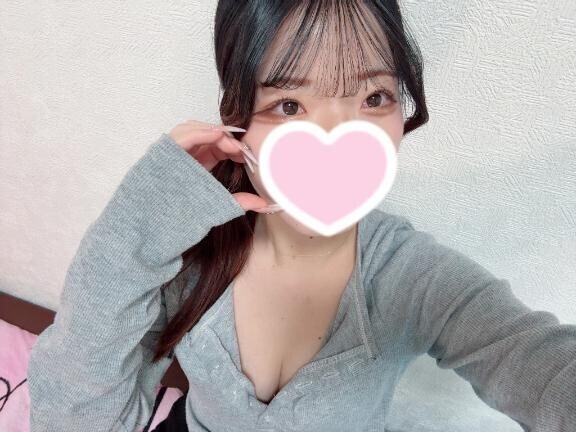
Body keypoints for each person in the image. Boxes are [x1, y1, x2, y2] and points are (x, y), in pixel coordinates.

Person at [27, 1, 576, 431]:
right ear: (238, 120)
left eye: (374, 97)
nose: (337, 136)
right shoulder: (190, 250)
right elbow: (74, 421)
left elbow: (542, 367)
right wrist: (142, 221)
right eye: (289, 105)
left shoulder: (414, 279)